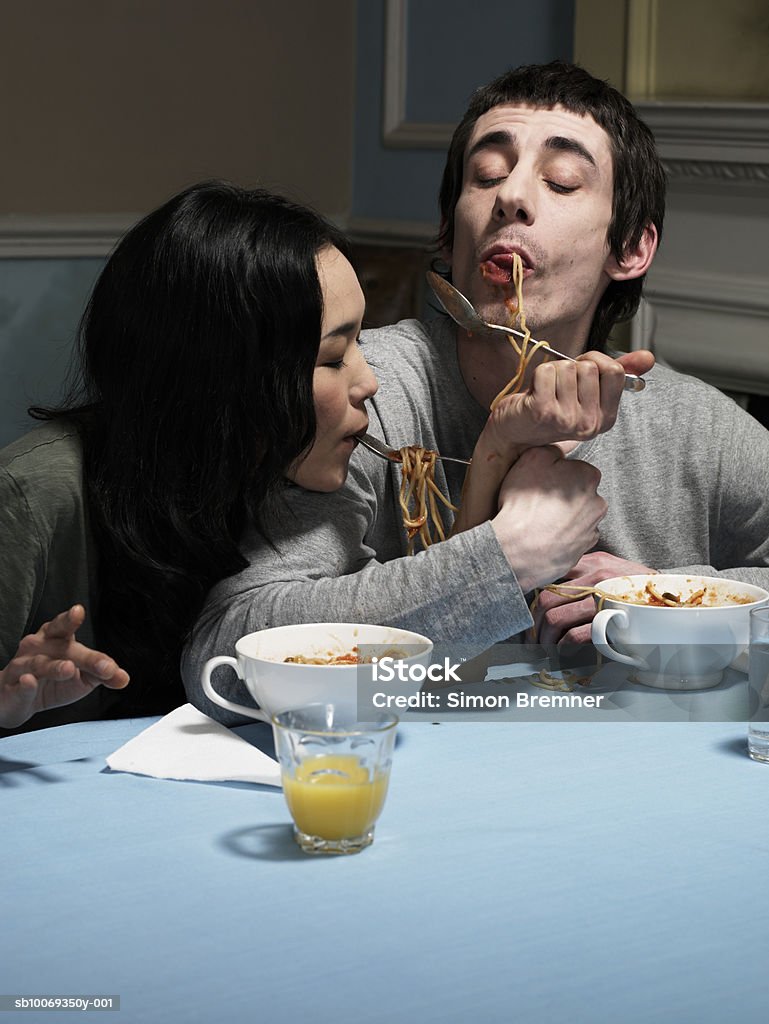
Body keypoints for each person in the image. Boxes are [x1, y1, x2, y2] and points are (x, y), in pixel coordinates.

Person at [186, 62, 739, 719]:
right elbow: (228, 644)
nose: (511, 197)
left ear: (630, 248)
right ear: (447, 236)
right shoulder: (363, 395)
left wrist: (665, 599)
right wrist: (505, 558)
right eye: (486, 175)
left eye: (561, 180)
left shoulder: (689, 419)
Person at [0, 181, 381, 731]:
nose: (369, 381)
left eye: (360, 343)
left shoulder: (277, 482)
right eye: (332, 357)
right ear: (226, 381)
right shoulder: (33, 500)